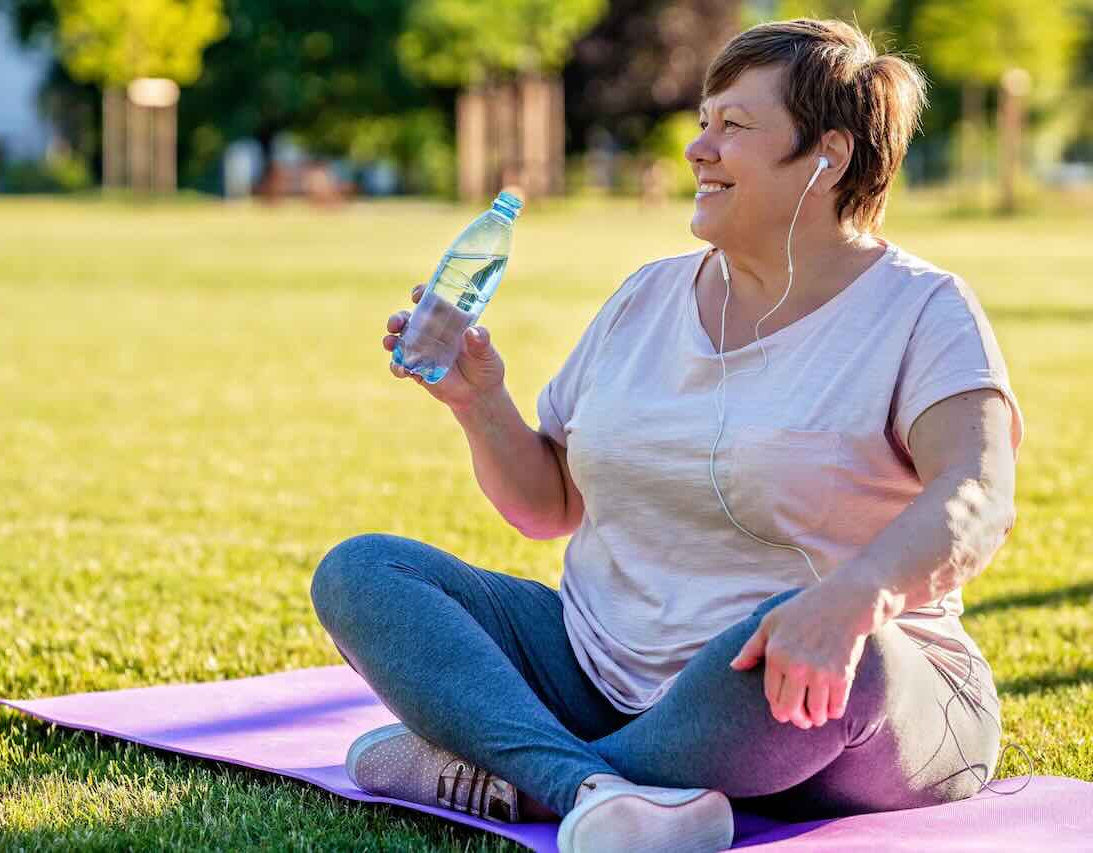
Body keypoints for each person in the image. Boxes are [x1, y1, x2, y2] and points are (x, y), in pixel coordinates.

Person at [311, 18, 1023, 853]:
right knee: (366, 571)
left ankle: (517, 773)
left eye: (735, 127)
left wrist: (851, 596)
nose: (698, 149)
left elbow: (976, 497)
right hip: (600, 673)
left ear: (826, 156)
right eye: (703, 122)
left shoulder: (922, 311)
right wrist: (481, 402)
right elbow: (549, 505)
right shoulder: (646, 297)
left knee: (813, 643)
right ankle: (589, 786)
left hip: (827, 696)